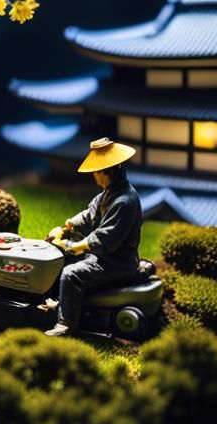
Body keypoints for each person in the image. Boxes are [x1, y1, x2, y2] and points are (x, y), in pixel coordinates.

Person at [43, 138, 143, 337]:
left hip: (116, 263)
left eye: (97, 172)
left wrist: (74, 246)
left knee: (71, 274)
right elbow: (90, 215)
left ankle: (66, 325)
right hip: (105, 258)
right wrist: (68, 225)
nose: (95, 177)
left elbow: (104, 239)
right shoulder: (109, 193)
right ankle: (60, 302)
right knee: (60, 259)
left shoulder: (125, 201)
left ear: (109, 171)